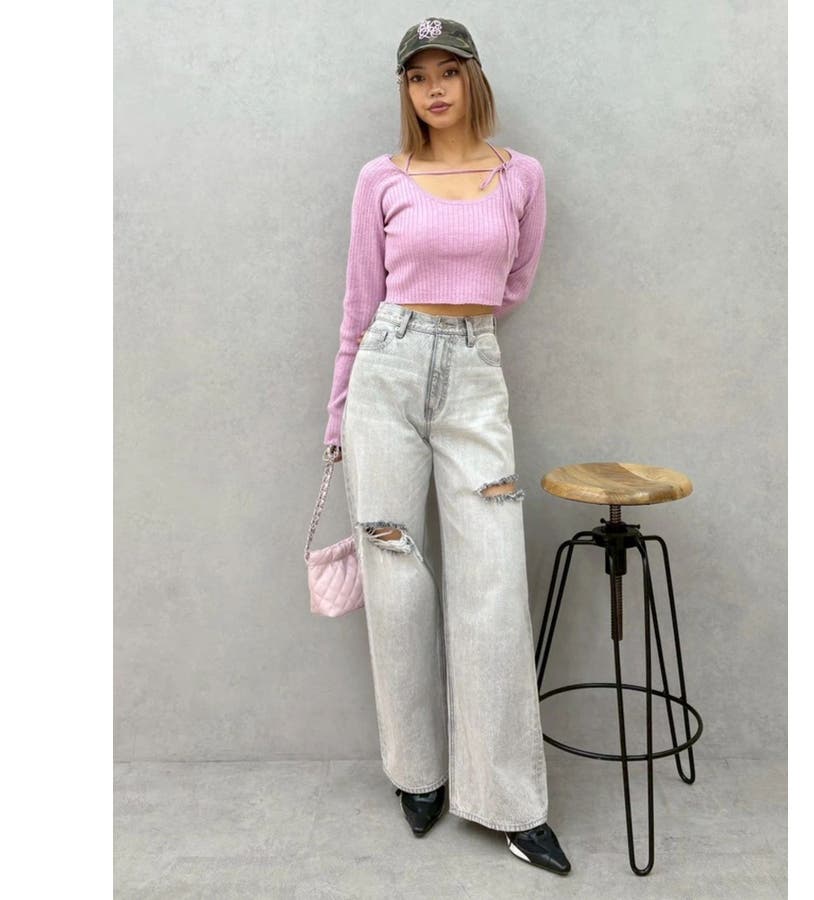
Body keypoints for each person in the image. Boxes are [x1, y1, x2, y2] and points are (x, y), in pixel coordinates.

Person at [322, 17, 571, 876]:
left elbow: (513, 283)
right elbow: (359, 303)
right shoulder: (381, 179)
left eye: (448, 72)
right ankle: (417, 773)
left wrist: (457, 336)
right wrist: (337, 414)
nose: (433, 88)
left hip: (472, 370)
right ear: (406, 89)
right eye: (417, 75)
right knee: (395, 577)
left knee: (492, 578)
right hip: (385, 371)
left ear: (473, 80)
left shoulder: (520, 176)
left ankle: (508, 801)